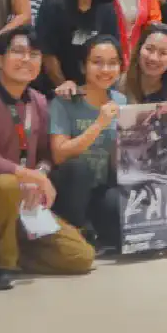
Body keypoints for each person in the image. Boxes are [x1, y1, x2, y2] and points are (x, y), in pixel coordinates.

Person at [0, 26, 95, 287]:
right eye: (18, 52)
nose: (26, 59)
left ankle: (6, 248)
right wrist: (28, 175)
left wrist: (40, 173)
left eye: (34, 54)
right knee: (6, 184)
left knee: (81, 257)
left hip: (27, 200)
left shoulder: (39, 101)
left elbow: (46, 154)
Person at [48, 35, 123, 255]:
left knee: (117, 201)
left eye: (112, 63)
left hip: (101, 189)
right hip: (69, 191)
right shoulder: (65, 101)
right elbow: (59, 154)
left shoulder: (122, 101)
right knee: (79, 168)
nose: (105, 69)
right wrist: (99, 124)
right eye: (97, 62)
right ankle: (75, 231)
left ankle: (101, 234)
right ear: (83, 66)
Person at [36, 0, 122, 97]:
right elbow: (48, 55)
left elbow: (112, 52)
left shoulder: (107, 8)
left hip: (95, 90)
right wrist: (64, 86)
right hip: (57, 91)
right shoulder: (53, 4)